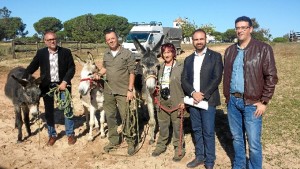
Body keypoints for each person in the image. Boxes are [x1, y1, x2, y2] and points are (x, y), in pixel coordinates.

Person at [223, 16, 278, 169]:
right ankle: (239, 165)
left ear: (251, 29)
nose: (240, 31)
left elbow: (271, 76)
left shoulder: (263, 49)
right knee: (237, 139)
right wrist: (227, 97)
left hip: (252, 104)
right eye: (237, 28)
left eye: (243, 27)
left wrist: (264, 101)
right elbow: (227, 76)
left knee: (253, 143)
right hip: (233, 102)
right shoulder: (229, 51)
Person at [24, 31, 76, 146]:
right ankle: (52, 134)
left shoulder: (66, 52)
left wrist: (65, 81)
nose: (52, 41)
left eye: (54, 39)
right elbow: (32, 67)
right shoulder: (41, 53)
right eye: (49, 40)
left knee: (67, 109)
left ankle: (70, 133)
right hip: (46, 86)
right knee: (48, 111)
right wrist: (23, 79)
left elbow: (71, 68)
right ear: (45, 42)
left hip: (63, 85)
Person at [181, 29, 223, 169]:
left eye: (201, 39)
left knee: (208, 131)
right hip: (193, 101)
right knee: (197, 129)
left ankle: (210, 160)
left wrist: (202, 94)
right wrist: (193, 93)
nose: (199, 42)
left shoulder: (215, 56)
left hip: (207, 101)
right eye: (196, 39)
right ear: (192, 41)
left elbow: (217, 78)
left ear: (206, 40)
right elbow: (184, 79)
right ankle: (200, 156)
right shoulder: (188, 59)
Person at [95, 28, 136, 155]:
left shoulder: (127, 53)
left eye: (112, 38)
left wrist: (130, 89)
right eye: (108, 40)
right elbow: (105, 69)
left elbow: (132, 72)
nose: (111, 41)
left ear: (117, 38)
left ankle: (130, 141)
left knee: (126, 116)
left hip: (123, 91)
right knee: (110, 116)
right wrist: (98, 74)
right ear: (106, 41)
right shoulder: (106, 54)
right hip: (109, 91)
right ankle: (113, 140)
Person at [151, 43, 185, 162]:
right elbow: (156, 82)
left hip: (176, 100)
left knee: (177, 127)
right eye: (164, 52)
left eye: (169, 52)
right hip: (162, 101)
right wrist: (157, 88)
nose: (167, 55)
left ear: (173, 53)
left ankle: (179, 148)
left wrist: (183, 100)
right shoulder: (159, 67)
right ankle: (161, 146)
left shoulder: (181, 66)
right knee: (163, 126)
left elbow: (185, 84)